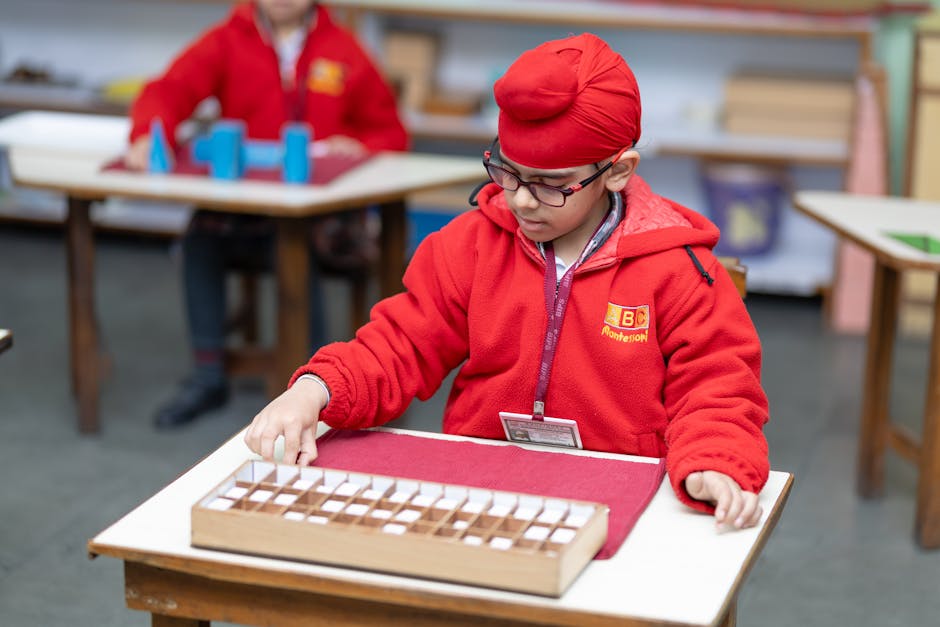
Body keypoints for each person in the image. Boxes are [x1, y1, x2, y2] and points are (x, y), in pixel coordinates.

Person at [244, 33, 770, 529]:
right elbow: (401, 344)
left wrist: (713, 460)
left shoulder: (677, 270)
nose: (520, 200)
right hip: (481, 485)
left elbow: (717, 385)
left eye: (551, 185)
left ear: (618, 170)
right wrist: (317, 388)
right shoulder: (470, 246)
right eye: (509, 172)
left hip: (620, 490)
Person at [124, 0, 408, 428]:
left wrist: (359, 144)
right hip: (245, 207)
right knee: (199, 239)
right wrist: (148, 133)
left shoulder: (343, 49)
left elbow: (390, 131)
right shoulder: (225, 41)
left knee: (294, 246)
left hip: (321, 214)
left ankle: (316, 383)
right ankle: (207, 374)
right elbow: (167, 92)